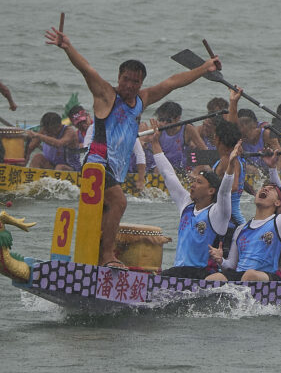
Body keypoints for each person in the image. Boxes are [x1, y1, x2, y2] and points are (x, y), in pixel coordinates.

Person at [45, 26, 218, 267]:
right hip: (96, 163)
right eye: (125, 79)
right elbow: (87, 69)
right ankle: (107, 257)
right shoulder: (107, 95)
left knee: (106, 212)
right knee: (120, 202)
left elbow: (172, 83)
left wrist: (204, 69)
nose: (129, 85)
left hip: (115, 170)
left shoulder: (141, 100)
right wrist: (67, 47)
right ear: (118, 77)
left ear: (140, 83)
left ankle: (92, 262)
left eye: (135, 82)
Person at [145, 119, 235, 279]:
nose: (192, 185)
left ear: (211, 190)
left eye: (199, 182)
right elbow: (168, 175)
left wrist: (231, 165)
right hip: (180, 272)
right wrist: (155, 144)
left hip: (203, 274)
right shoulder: (186, 204)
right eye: (193, 181)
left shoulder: (217, 213)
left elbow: (225, 193)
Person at [147, 100, 206, 170]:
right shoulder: (157, 128)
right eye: (161, 120)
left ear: (178, 118)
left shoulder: (188, 129)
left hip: (181, 168)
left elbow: (205, 151)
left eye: (168, 121)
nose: (164, 124)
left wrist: (196, 171)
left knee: (206, 167)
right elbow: (143, 142)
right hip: (160, 166)